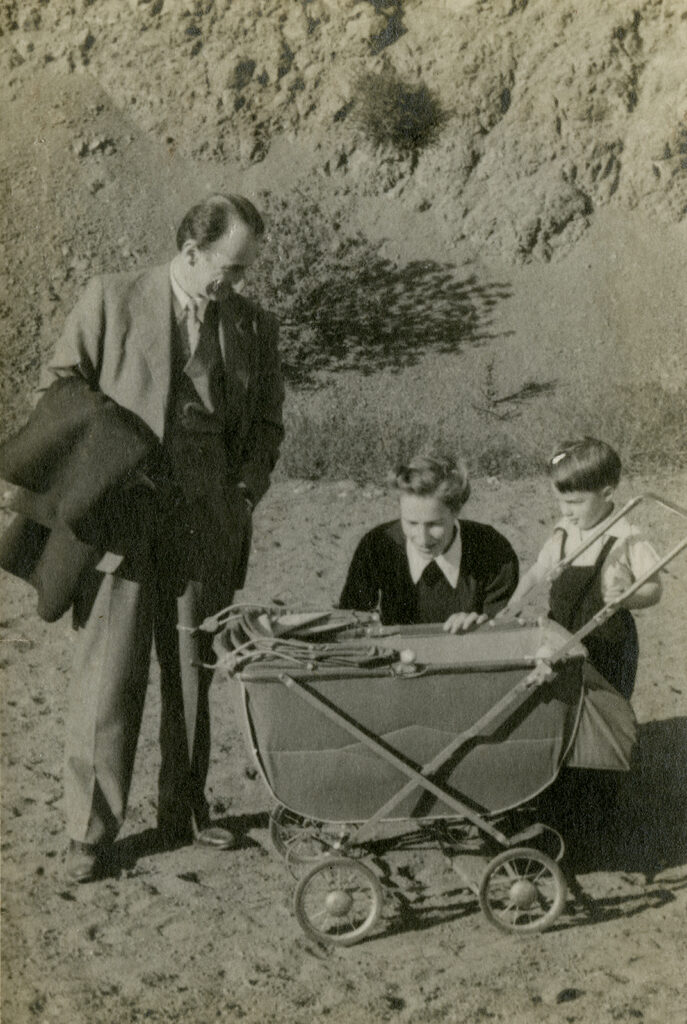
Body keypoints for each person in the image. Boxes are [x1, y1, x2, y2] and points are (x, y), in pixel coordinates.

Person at [31, 194, 284, 882]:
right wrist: (113, 464)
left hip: (206, 517)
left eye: (244, 272)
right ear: (191, 250)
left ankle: (185, 813)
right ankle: (89, 834)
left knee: (193, 669)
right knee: (108, 676)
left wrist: (241, 492)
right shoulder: (111, 299)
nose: (236, 285)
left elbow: (265, 425)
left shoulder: (253, 324)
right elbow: (61, 388)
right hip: (121, 514)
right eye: (228, 270)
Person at [504, 437, 661, 698]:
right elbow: (538, 570)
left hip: (609, 644)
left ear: (607, 493)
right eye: (560, 501)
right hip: (561, 633)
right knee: (561, 697)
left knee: (605, 702)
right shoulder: (564, 531)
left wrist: (628, 597)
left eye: (575, 502)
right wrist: (516, 602)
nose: (566, 511)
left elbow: (654, 589)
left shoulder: (626, 536)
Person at [338, 452, 519, 630]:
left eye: (434, 524)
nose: (422, 539)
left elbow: (504, 632)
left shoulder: (494, 550)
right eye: (411, 523)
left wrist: (481, 626)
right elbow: (349, 623)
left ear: (456, 511)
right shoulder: (378, 545)